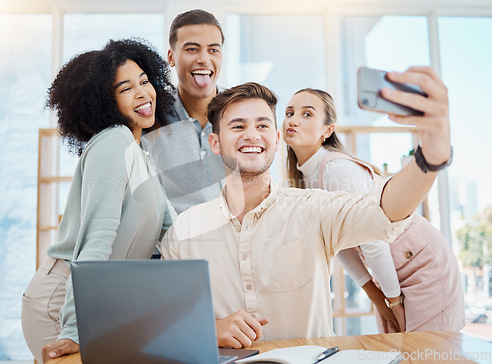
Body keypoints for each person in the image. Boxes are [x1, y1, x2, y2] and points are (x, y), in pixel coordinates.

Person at [161, 66, 453, 348]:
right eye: (238, 126)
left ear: (276, 140)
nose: (252, 135)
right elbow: (165, 323)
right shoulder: (184, 231)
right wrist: (208, 331)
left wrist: (432, 153)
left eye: (262, 125)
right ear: (215, 142)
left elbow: (384, 211)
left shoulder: (314, 209)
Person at [21, 39, 176, 362]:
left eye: (145, 82)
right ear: (104, 102)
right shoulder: (113, 142)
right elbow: (97, 240)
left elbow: (171, 232)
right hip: (65, 303)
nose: (142, 93)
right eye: (125, 89)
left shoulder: (142, 154)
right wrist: (76, 329)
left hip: (101, 301)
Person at [283, 88, 465, 333]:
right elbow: (340, 243)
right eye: (289, 112)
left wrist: (392, 300)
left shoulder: (336, 170)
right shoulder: (306, 179)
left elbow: (372, 238)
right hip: (392, 272)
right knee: (404, 354)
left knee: (426, 355)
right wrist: (376, 295)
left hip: (422, 264)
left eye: (307, 114)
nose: (293, 120)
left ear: (328, 130)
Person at [141, 9, 226, 215]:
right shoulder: (150, 113)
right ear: (171, 57)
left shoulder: (239, 111)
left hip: (231, 239)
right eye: (192, 49)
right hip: (170, 242)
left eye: (213, 50)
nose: (204, 59)